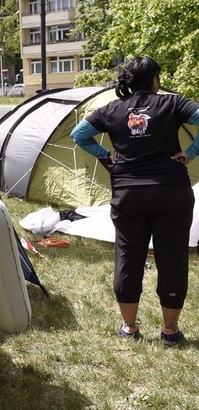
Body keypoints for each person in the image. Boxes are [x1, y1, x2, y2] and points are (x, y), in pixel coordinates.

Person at [71, 56, 199, 346]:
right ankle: (169, 331)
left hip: (128, 195)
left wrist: (106, 156)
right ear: (153, 79)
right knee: (173, 259)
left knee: (128, 258)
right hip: (172, 194)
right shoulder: (173, 103)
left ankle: (129, 327)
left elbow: (79, 134)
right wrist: (190, 152)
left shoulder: (111, 109)